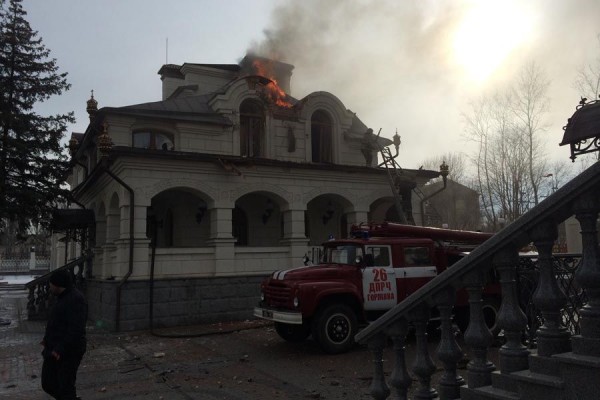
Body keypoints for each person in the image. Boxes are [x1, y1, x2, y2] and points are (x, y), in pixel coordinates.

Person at [41, 269, 87, 400]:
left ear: (57, 284)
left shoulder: (76, 300)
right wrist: (46, 339)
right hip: (54, 349)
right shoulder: (62, 297)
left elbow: (76, 330)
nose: (49, 286)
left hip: (68, 352)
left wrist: (59, 349)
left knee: (65, 386)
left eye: (51, 284)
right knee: (48, 383)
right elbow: (56, 322)